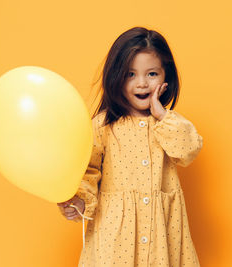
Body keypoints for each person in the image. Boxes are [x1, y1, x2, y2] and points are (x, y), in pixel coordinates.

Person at [57, 26, 203, 267]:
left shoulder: (168, 124)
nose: (142, 84)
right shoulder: (102, 126)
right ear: (116, 77)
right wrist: (79, 203)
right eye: (130, 74)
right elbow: (89, 172)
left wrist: (161, 114)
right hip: (116, 240)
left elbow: (187, 149)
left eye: (152, 74)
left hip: (163, 235)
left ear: (166, 77)